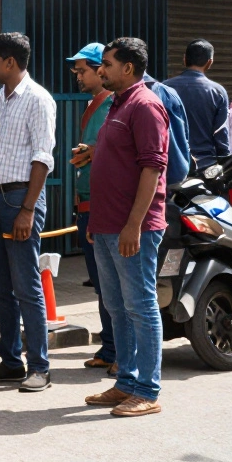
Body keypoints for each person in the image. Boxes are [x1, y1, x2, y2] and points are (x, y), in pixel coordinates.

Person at [84, 37, 169, 418]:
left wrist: (134, 225)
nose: (101, 70)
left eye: (107, 64)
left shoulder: (146, 105)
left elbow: (153, 168)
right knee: (116, 306)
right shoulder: (117, 104)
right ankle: (127, 382)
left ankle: (148, 389)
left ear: (128, 68)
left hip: (133, 228)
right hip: (106, 225)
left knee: (140, 307)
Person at [0, 31, 56, 393]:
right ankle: (10, 361)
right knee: (3, 285)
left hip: (19, 200)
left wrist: (28, 208)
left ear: (11, 62)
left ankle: (39, 366)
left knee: (27, 286)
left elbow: (43, 156)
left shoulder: (38, 99)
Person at [65, 43, 117, 375]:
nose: (78, 77)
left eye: (82, 70)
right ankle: (110, 346)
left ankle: (119, 351)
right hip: (87, 205)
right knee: (101, 284)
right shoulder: (93, 105)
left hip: (102, 208)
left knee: (111, 285)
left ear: (102, 70)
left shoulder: (113, 105)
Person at [164, 38, 229, 168]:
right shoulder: (218, 92)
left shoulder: (164, 88)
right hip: (205, 165)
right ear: (209, 63)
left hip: (172, 164)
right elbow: (221, 134)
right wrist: (225, 163)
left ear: (184, 59)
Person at [142, 73, 191, 186]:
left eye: (108, 65)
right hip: (173, 175)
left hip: (159, 181)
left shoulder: (160, 93)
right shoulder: (166, 92)